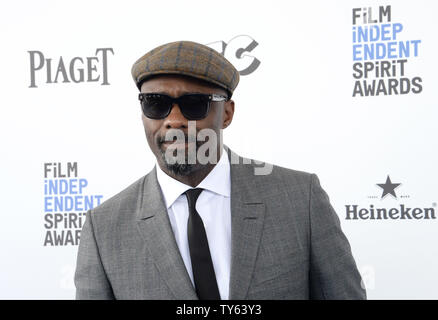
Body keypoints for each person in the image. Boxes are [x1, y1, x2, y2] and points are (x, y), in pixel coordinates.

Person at [74, 40, 366, 300]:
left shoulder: (301, 199)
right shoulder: (105, 228)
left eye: (194, 104)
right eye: (156, 103)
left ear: (226, 113)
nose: (174, 120)